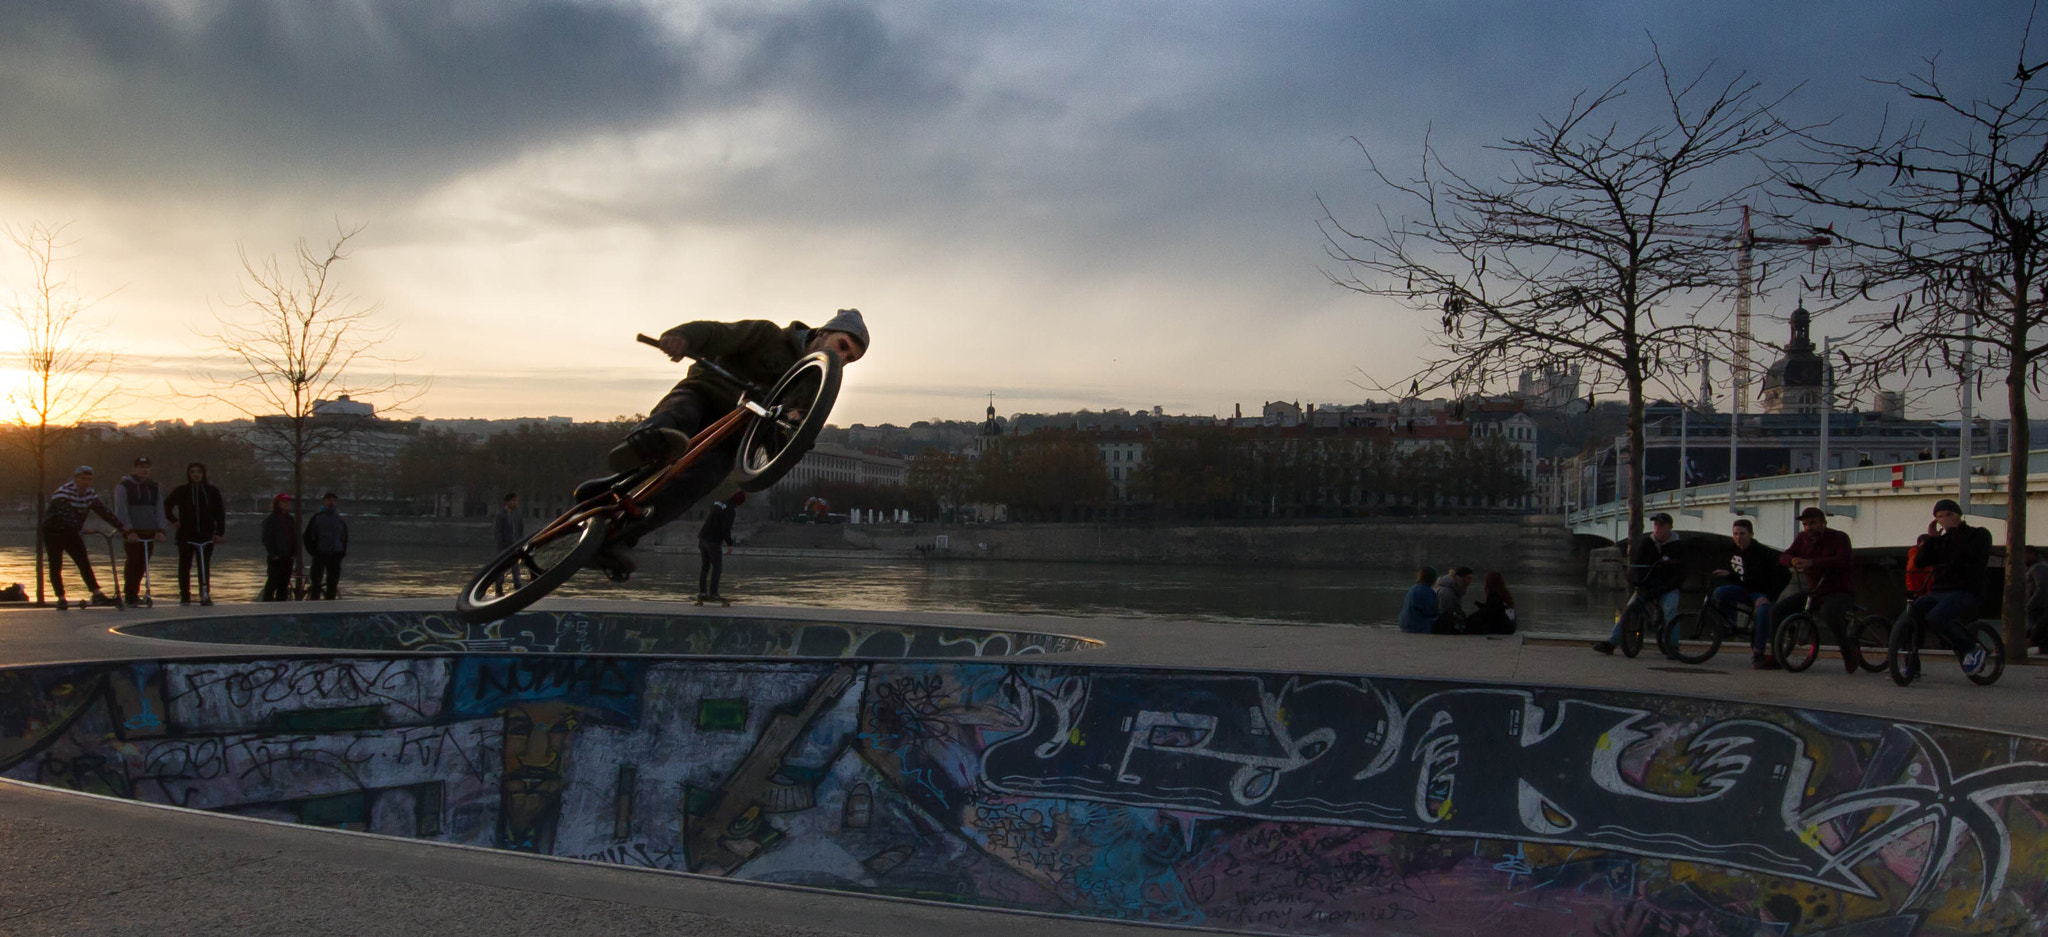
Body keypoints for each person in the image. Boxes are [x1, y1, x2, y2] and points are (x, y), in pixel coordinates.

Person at [577, 310, 870, 580]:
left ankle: (619, 539)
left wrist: (794, 439)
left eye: (850, 359)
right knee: (681, 413)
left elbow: (796, 431)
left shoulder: (815, 384)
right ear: (822, 332)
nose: (842, 358)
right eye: (842, 346)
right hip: (707, 393)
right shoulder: (768, 335)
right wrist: (682, 337)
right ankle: (644, 441)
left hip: (734, 435)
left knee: (695, 483)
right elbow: (717, 333)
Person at [1895, 499, 1995, 679]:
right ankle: (1910, 661)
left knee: (1936, 617)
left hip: (1966, 589)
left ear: (1958, 515)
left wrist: (1956, 531)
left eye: (1949, 514)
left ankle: (1972, 649)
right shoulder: (1940, 541)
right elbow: (1921, 562)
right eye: (1940, 516)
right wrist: (1932, 539)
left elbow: (1968, 553)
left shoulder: (1978, 534)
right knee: (1910, 614)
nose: (1945, 519)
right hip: (1939, 591)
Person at [1773, 506, 1858, 673]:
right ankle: (1779, 650)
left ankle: (1849, 654)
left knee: (1830, 613)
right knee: (1778, 610)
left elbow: (1844, 561)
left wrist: (1813, 563)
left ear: (1823, 523)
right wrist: (1792, 560)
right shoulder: (1802, 538)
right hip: (1815, 591)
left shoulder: (1840, 538)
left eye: (1812, 523)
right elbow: (1783, 556)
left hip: (1839, 590)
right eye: (1805, 524)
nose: (1808, 528)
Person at [1593, 512, 1683, 654]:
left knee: (1671, 610)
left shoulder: (1678, 546)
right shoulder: (1647, 543)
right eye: (1655, 524)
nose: (1657, 528)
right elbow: (1638, 566)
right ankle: (1611, 643)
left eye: (1661, 525)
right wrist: (1637, 581)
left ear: (1670, 527)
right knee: (1629, 609)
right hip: (1648, 586)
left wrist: (1667, 585)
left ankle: (1674, 646)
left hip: (1668, 587)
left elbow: (1681, 573)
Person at [41, 466, 123, 609]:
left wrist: (122, 527)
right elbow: (66, 515)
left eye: (89, 479)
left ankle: (96, 593)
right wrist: (82, 528)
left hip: (72, 532)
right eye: (82, 479)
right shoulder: (63, 492)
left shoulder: (89, 494)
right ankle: (61, 597)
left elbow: (103, 511)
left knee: (83, 561)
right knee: (55, 564)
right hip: (53, 532)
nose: (86, 482)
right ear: (75, 478)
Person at [1710, 518, 1783, 669]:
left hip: (1761, 592)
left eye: (1742, 533)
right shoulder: (1734, 551)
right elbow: (1741, 575)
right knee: (1719, 593)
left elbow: (1779, 577)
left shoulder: (1764, 553)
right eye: (1735, 534)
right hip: (1744, 589)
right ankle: (1730, 624)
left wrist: (1768, 596)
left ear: (1751, 534)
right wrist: (1728, 573)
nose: (1738, 537)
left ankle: (1759, 652)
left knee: (1763, 612)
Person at [163, 462, 226, 606]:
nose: (196, 474)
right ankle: (185, 595)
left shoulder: (212, 491)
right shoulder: (182, 490)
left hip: (206, 535)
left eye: (198, 472)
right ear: (188, 474)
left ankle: (205, 593)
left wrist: (219, 533)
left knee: (204, 566)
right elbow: (166, 505)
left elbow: (220, 513)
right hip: (186, 535)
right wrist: (174, 520)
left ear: (203, 474)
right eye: (192, 472)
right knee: (184, 566)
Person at [113, 456, 167, 607]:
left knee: (143, 563)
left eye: (147, 467)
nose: (144, 470)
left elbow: (159, 509)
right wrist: (128, 530)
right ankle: (130, 594)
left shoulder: (153, 487)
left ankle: (136, 593)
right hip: (132, 533)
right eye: (141, 466)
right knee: (133, 561)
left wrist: (160, 529)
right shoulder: (123, 486)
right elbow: (121, 510)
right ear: (134, 468)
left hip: (149, 531)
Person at [697, 490, 745, 601]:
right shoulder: (730, 510)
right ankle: (713, 593)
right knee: (717, 568)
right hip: (713, 541)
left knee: (705, 567)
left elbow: (710, 520)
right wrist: (729, 544)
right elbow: (725, 529)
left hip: (702, 538)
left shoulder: (718, 503)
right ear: (739, 502)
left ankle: (702, 593)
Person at [302, 492, 349, 600]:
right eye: (328, 500)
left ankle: (330, 606)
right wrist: (314, 552)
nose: (331, 502)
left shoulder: (339, 520)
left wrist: (342, 552)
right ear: (324, 501)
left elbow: (344, 537)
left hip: (335, 555)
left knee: (332, 583)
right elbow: (307, 536)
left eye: (333, 500)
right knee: (316, 583)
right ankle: (314, 606)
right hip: (320, 554)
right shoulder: (317, 518)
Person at [260, 494, 297, 601]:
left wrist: (293, 553)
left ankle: (281, 606)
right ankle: (266, 604)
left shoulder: (290, 519)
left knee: (284, 584)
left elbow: (294, 537)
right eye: (283, 501)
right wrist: (273, 554)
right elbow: (267, 538)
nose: (286, 504)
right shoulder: (271, 519)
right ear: (278, 503)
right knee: (273, 582)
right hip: (276, 557)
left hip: (288, 556)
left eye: (288, 502)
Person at [492, 493, 526, 595]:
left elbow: (521, 530)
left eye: (516, 501)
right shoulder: (500, 515)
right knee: (502, 568)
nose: (515, 503)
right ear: (507, 502)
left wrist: (521, 543)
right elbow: (498, 531)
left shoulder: (518, 514)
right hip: (504, 546)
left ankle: (518, 587)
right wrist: (500, 545)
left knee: (516, 568)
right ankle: (499, 588)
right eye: (513, 501)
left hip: (516, 545)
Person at [1398, 566, 1440, 633]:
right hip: (1418, 625)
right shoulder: (1426, 591)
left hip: (1405, 623)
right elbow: (1431, 611)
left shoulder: (1413, 589)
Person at [1432, 566, 1474, 634]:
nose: (1470, 581)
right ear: (1462, 578)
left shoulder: (1454, 588)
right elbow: (1445, 613)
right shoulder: (1447, 592)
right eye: (1469, 578)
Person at [2027, 545, 2048, 654]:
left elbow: (2042, 588)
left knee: (2037, 632)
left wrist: (2029, 605)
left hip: (2039, 610)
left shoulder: (2039, 567)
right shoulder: (2038, 567)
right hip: (2038, 610)